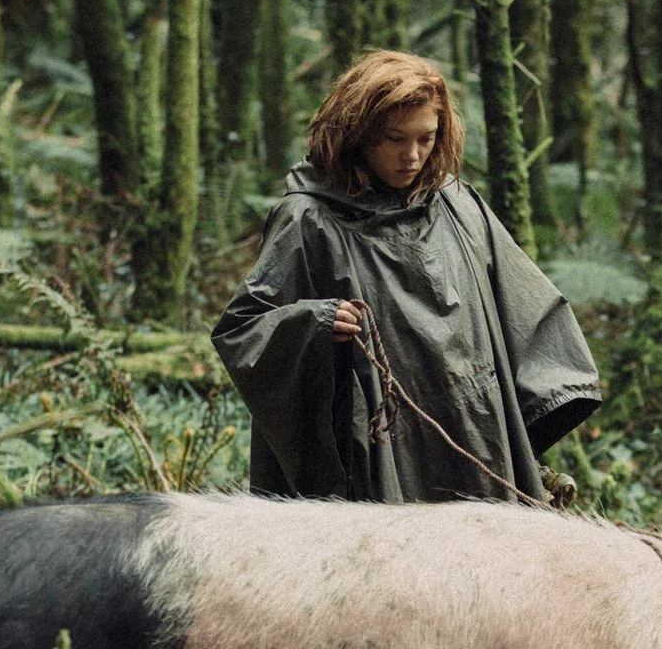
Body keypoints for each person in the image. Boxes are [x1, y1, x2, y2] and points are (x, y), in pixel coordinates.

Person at [212, 50, 602, 503]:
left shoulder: (455, 203)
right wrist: (315, 323)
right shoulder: (309, 219)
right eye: (395, 139)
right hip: (376, 446)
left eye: (426, 138)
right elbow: (243, 330)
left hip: (471, 432)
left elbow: (524, 307)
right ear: (357, 133)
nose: (413, 156)